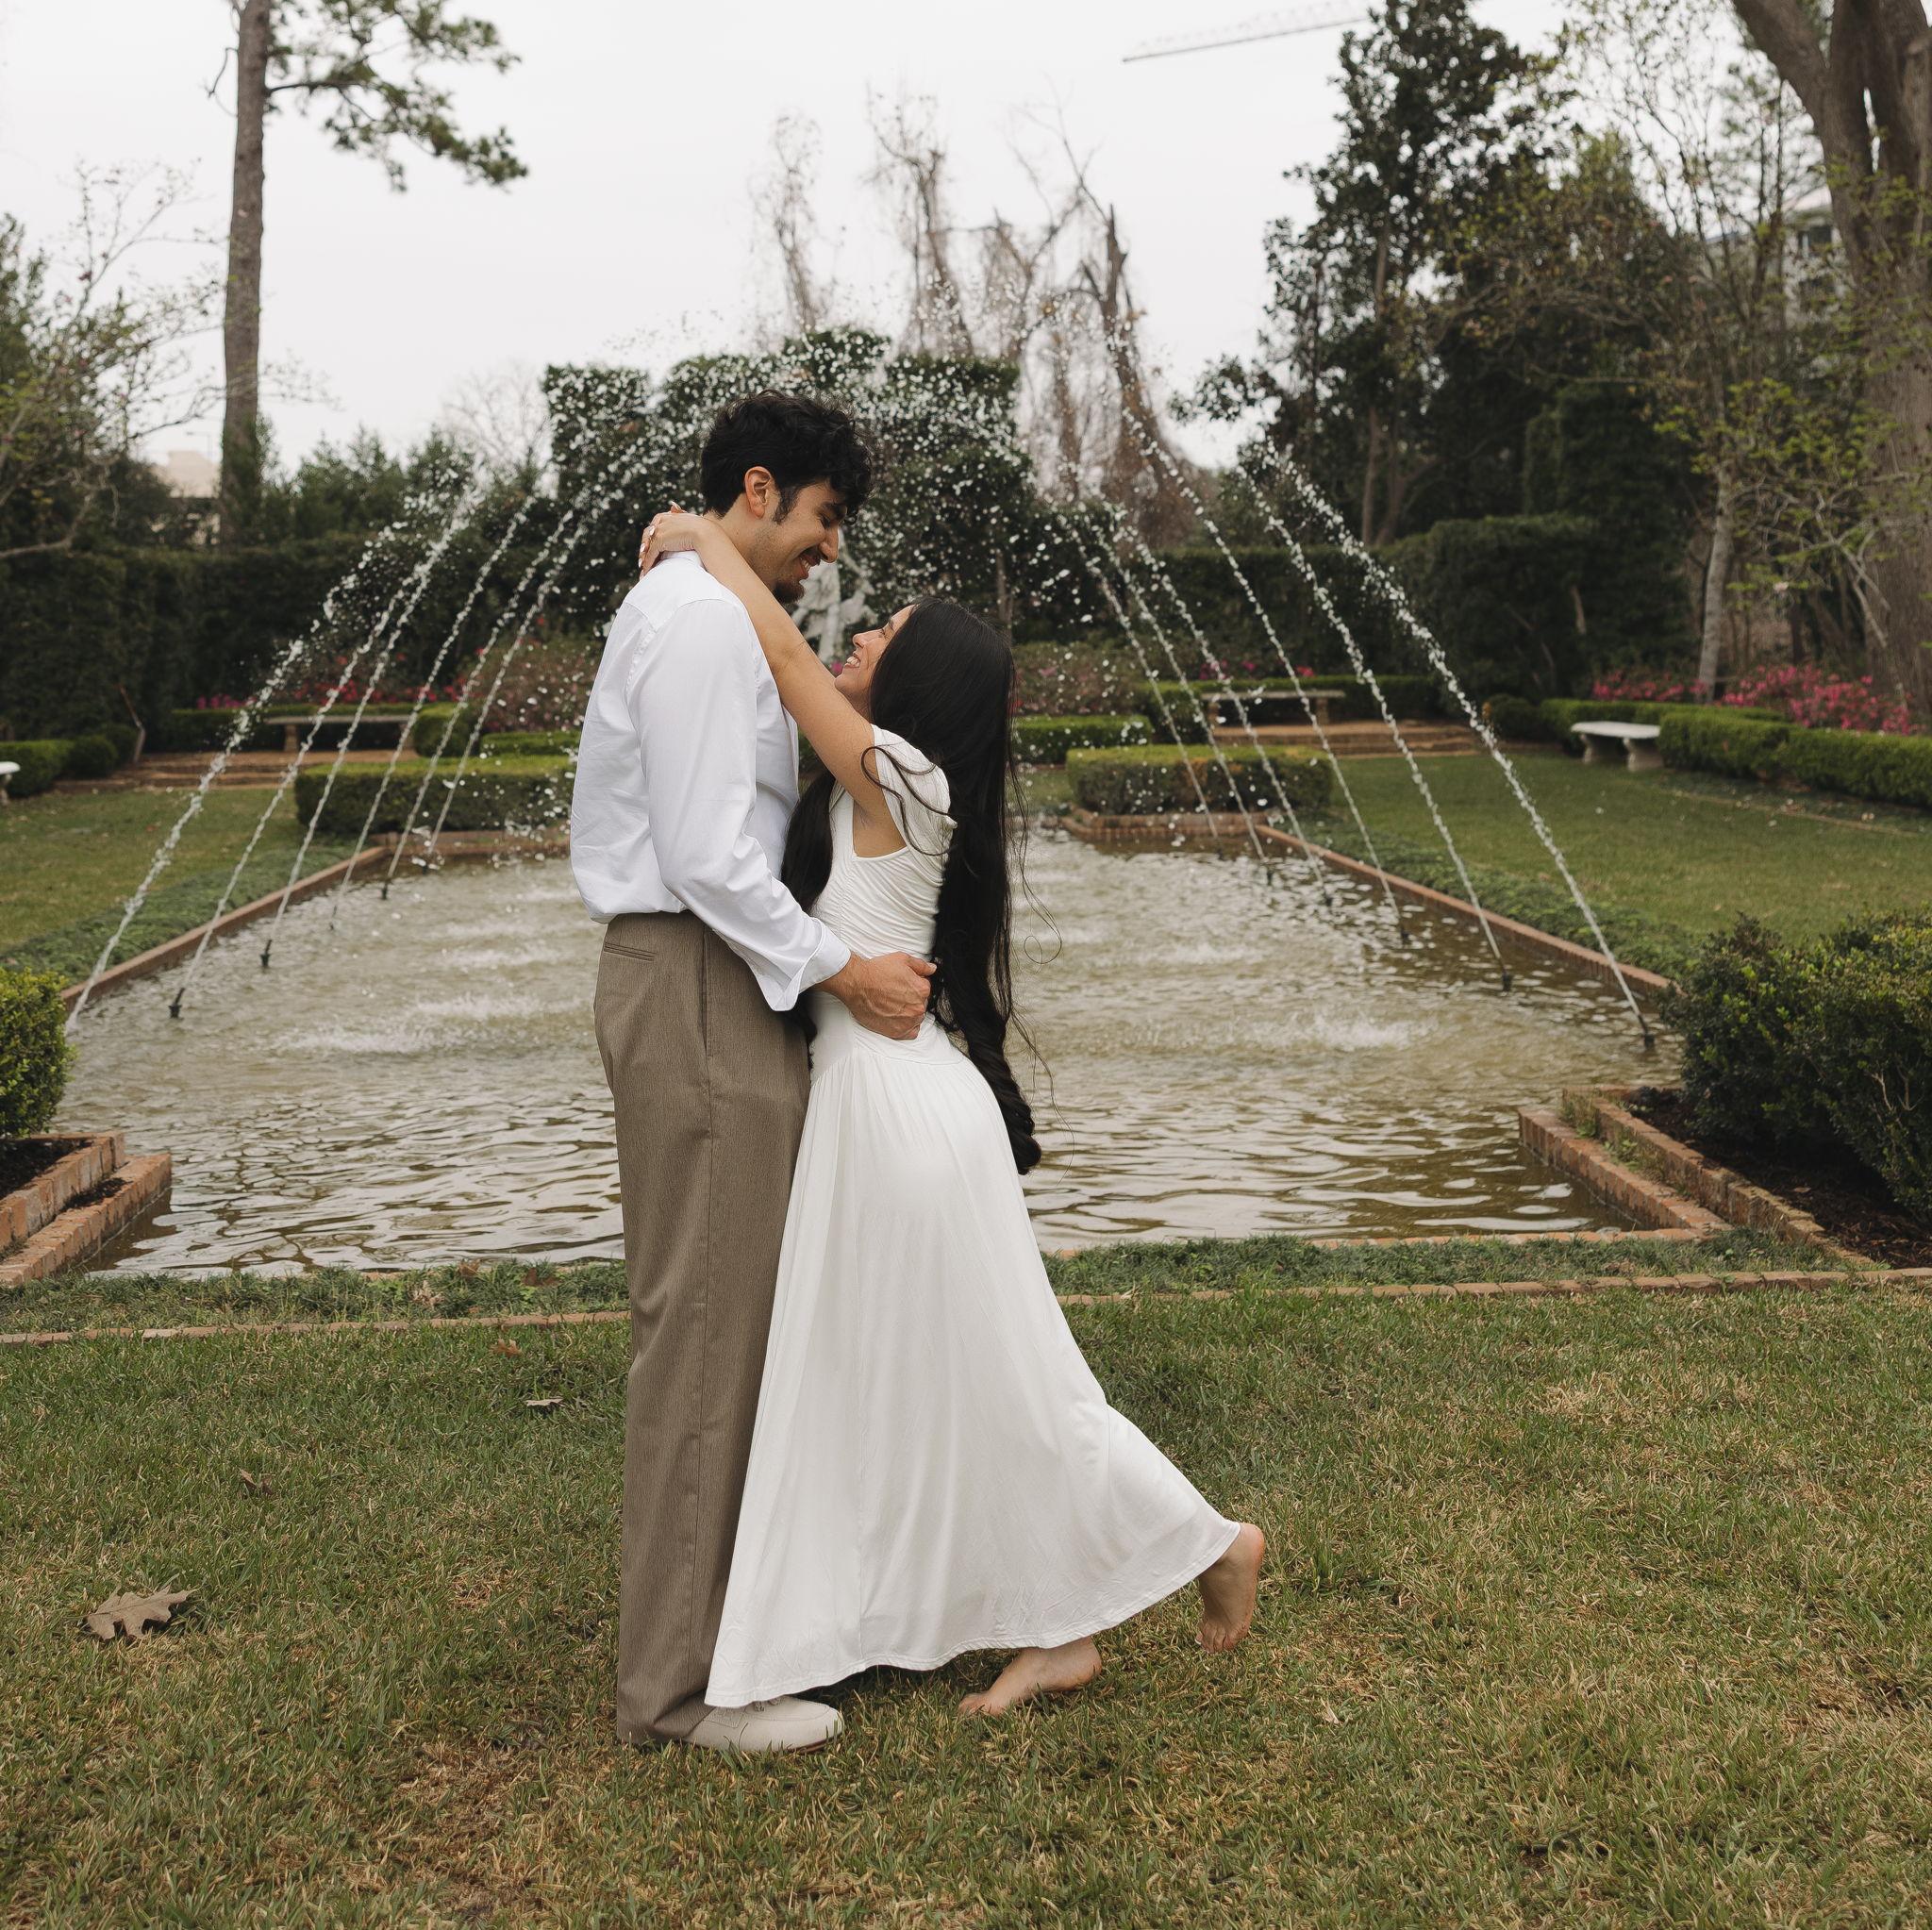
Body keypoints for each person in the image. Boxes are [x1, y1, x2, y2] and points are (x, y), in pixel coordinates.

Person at [634, 504, 1265, 1739]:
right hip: (890, 1108)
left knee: (1008, 1386)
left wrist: (710, 539)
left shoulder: (908, 778)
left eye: (889, 633)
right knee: (924, 1381)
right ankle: (1058, 1630)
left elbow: (783, 656)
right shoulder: (890, 785)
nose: (861, 634)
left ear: (919, 682)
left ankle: (1210, 1539)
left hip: (901, 1119)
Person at [571, 392, 937, 1755]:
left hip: (717, 981)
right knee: (706, 1327)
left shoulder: (716, 606)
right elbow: (709, 855)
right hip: (697, 979)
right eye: (825, 518)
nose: (831, 551)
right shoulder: (697, 622)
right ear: (765, 488)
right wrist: (845, 970)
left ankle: (733, 1637)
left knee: (735, 1322)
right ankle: (677, 1694)